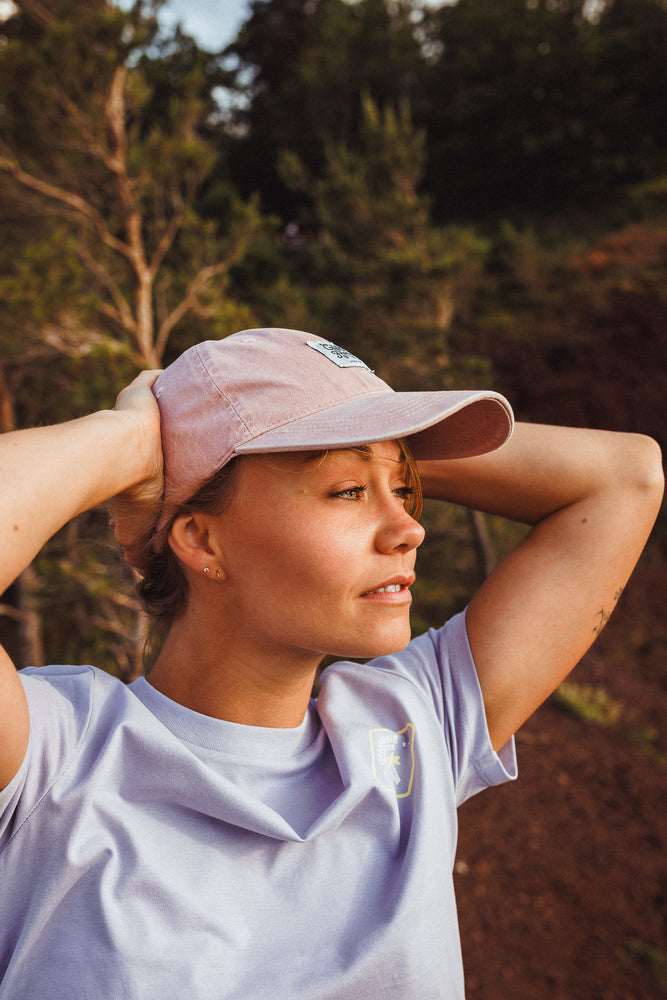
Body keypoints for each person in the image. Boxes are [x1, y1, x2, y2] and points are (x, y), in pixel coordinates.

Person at [0, 327, 662, 999]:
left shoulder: (412, 727)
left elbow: (626, 477)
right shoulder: (53, 760)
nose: (409, 528)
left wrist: (381, 443)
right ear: (201, 537)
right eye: (347, 493)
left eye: (404, 489)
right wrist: (131, 444)